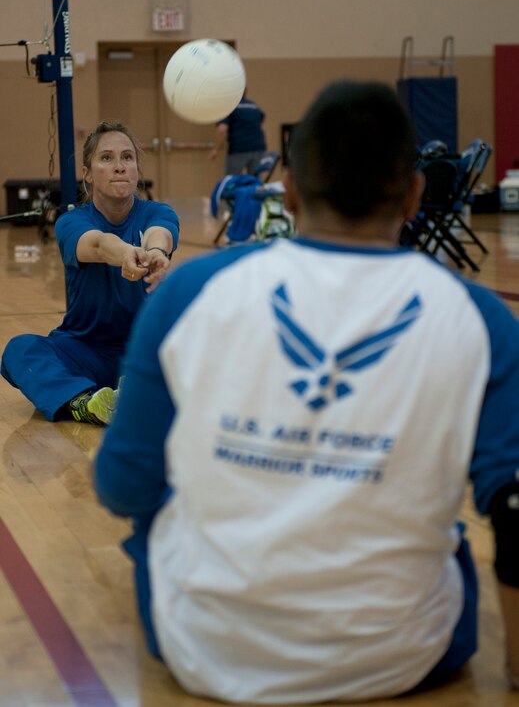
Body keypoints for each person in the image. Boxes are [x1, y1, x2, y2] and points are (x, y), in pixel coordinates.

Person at [94, 81, 519, 703]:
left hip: (203, 649)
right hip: (406, 658)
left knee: (156, 513)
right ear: (414, 195)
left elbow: (121, 484)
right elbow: (512, 507)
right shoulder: (480, 316)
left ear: (286, 191)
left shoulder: (191, 291)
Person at [1, 120, 180, 426]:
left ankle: (134, 391)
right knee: (19, 350)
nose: (119, 167)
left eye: (127, 158)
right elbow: (97, 244)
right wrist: (126, 253)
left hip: (142, 350)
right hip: (85, 351)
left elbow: (159, 235)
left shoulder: (158, 212)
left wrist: (155, 254)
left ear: (137, 170)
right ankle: (86, 403)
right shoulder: (71, 222)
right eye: (106, 158)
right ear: (87, 173)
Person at [209, 90, 267, 175]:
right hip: (258, 147)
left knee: (232, 181)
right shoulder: (253, 106)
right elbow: (260, 120)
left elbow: (222, 129)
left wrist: (216, 149)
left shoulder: (229, 107)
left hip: (239, 148)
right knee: (255, 181)